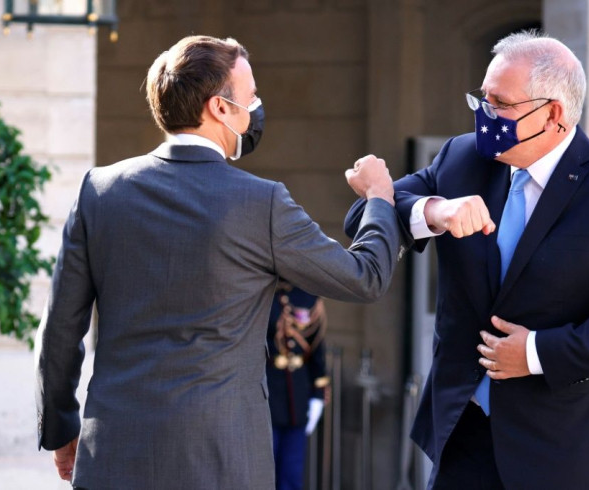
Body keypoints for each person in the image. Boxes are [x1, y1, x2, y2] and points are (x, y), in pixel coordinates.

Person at [35, 35, 402, 489]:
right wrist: (381, 198)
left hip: (112, 454)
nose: (256, 109)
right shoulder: (262, 202)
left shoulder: (99, 191)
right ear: (220, 108)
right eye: (250, 98)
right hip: (223, 463)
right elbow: (365, 277)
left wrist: (60, 429)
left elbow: (59, 329)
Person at [345, 30, 589, 489]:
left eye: (501, 104)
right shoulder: (464, 157)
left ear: (554, 115)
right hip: (466, 435)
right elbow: (365, 214)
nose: (486, 115)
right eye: (482, 99)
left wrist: (536, 352)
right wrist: (436, 211)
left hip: (573, 449)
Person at [266, 280, 328, 490]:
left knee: (292, 475)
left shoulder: (307, 295)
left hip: (297, 398)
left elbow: (316, 350)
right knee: (263, 474)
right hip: (266, 396)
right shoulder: (261, 293)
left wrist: (318, 394)